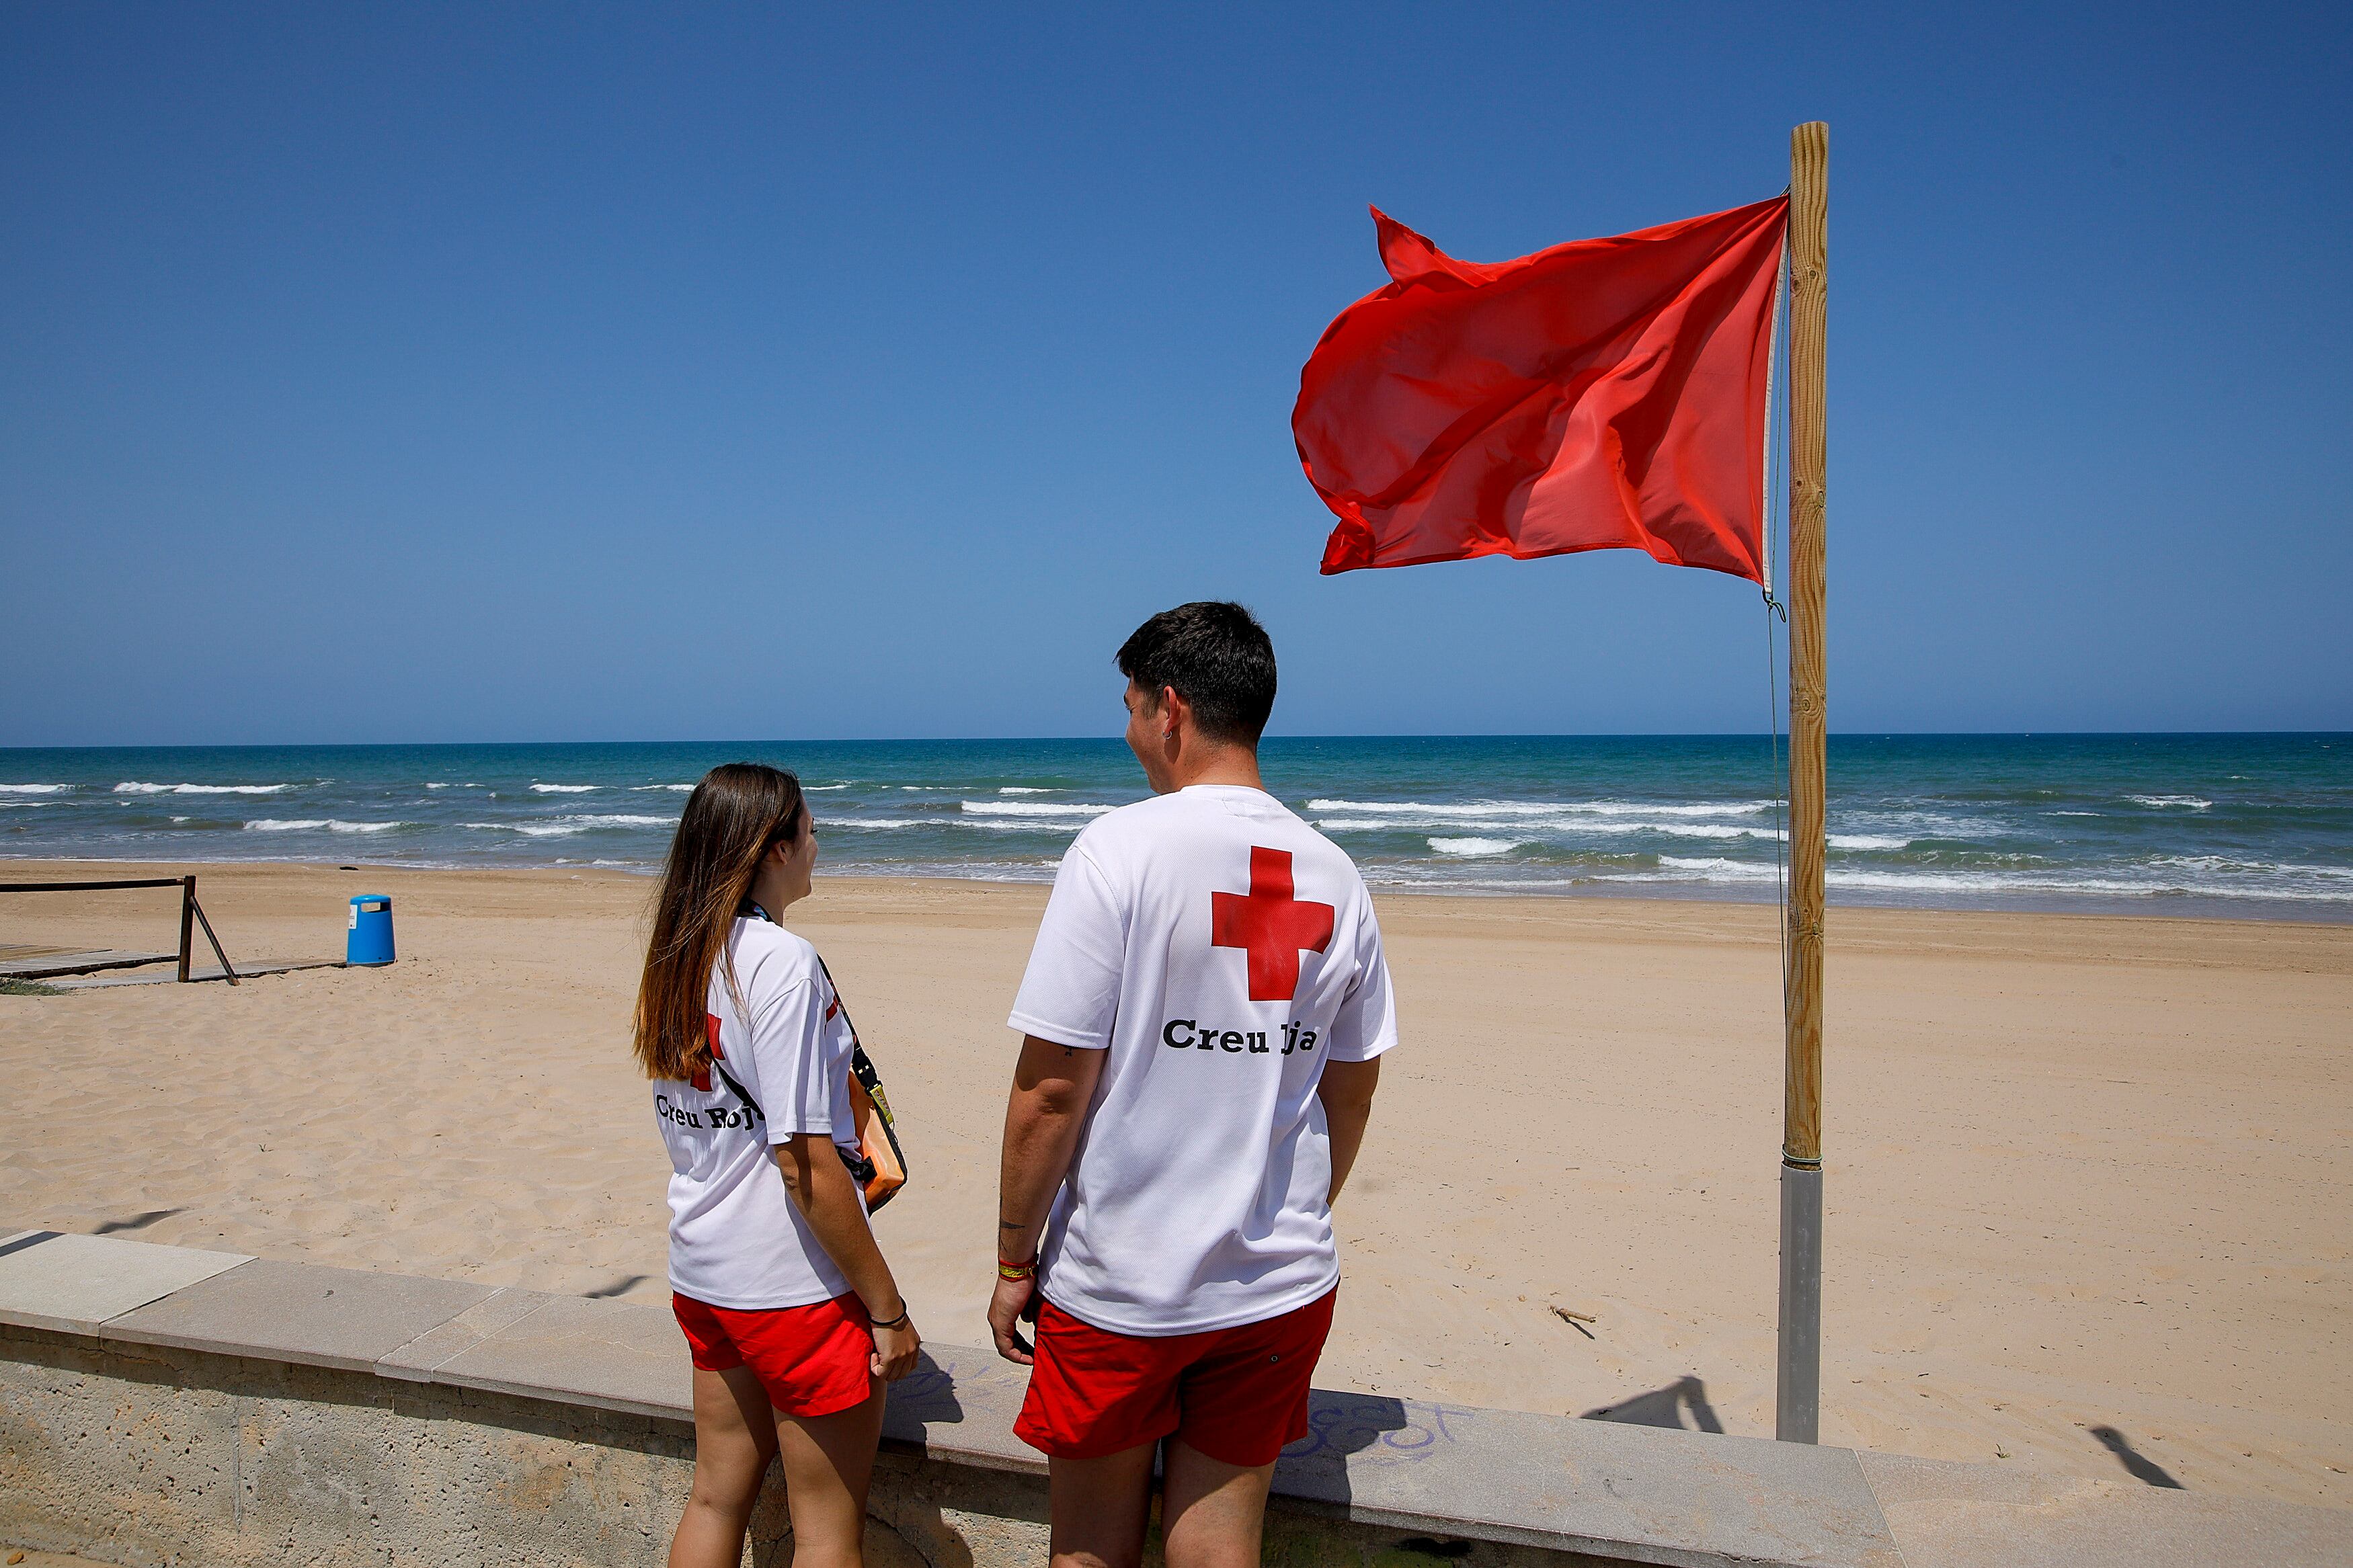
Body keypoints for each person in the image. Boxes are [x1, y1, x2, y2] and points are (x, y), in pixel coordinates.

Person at [989, 602, 1397, 1568]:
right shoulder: (1336, 876)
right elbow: (1354, 1087)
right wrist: (1290, 1206)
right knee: (1220, 1552)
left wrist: (1014, 1263)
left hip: (1124, 1284)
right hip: (1279, 1281)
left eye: (1130, 705)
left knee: (1088, 1551)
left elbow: (1050, 1090)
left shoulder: (1118, 850)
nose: (1128, 728)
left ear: (1169, 708)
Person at [635, 763, 921, 1568]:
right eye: (808, 831)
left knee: (715, 1496)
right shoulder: (780, 962)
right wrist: (888, 1309)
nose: (816, 847)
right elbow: (803, 1163)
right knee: (828, 1532)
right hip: (791, 1287)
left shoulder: (679, 954)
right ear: (771, 849)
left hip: (704, 1272)